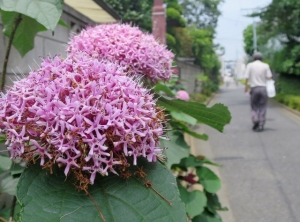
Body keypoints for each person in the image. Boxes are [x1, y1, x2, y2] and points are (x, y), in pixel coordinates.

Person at [244, 52, 272, 132]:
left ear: (253, 58)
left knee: (254, 106)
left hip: (254, 88)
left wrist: (246, 87)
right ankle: (261, 124)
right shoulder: (265, 65)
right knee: (262, 107)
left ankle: (255, 120)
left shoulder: (250, 65)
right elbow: (269, 77)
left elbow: (246, 77)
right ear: (261, 59)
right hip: (263, 88)